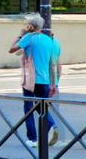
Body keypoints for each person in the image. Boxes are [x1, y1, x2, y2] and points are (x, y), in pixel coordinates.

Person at [8, 13, 61, 148]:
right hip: (45, 80)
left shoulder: (28, 38)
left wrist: (21, 35)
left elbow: (12, 49)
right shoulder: (49, 41)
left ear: (30, 26)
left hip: (31, 79)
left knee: (29, 108)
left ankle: (32, 138)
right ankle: (52, 125)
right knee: (41, 107)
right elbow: (53, 64)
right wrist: (54, 83)